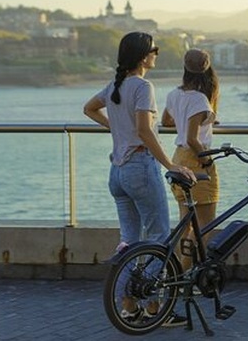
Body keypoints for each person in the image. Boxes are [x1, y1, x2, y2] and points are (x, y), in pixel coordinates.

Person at [83, 31, 195, 326]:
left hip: (117, 172)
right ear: (143, 56)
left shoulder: (115, 85)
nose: (157, 54)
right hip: (140, 168)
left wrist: (117, 129)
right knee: (158, 239)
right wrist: (171, 164)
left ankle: (128, 305)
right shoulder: (143, 86)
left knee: (131, 242)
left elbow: (88, 108)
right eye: (154, 50)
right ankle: (156, 308)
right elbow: (145, 131)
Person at [161, 48, 220, 269]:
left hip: (179, 159)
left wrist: (194, 120)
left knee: (185, 224)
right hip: (196, 158)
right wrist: (207, 162)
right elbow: (192, 138)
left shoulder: (174, 94)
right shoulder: (199, 99)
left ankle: (177, 272)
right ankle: (186, 274)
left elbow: (168, 121)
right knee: (204, 224)